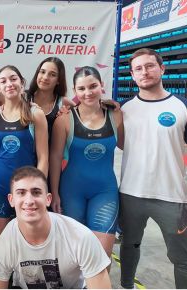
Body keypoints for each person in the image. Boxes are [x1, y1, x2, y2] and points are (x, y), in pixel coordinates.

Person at [119, 48, 187, 289]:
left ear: (162, 68)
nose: (144, 72)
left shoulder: (186, 107)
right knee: (129, 246)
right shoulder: (123, 110)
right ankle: (127, 286)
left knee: (182, 259)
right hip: (130, 194)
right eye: (138, 68)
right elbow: (119, 143)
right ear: (132, 75)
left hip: (172, 198)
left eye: (150, 66)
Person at [0, 166, 112, 289]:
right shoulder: (6, 241)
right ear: (11, 200)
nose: (29, 200)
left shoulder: (80, 236)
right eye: (21, 193)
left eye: (36, 192)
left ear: (48, 199)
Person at [49, 66, 124, 260]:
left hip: (105, 192)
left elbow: (126, 145)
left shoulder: (116, 114)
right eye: (81, 88)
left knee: (101, 256)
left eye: (93, 86)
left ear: (102, 86)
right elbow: (55, 158)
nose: (88, 92)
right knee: (72, 256)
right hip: (71, 191)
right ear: (75, 91)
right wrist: (55, 192)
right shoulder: (64, 119)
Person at [0, 65, 48, 245]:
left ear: (22, 82)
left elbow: (43, 157)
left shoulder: (35, 114)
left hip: (26, 187)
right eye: (3, 81)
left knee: (26, 237)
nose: (9, 84)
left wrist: (39, 188)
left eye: (13, 79)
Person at [27, 57, 67, 144]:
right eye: (42, 72)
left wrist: (102, 105)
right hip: (24, 155)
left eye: (52, 74)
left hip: (51, 156)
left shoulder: (63, 102)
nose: (45, 77)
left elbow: (86, 110)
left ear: (59, 80)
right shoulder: (23, 97)